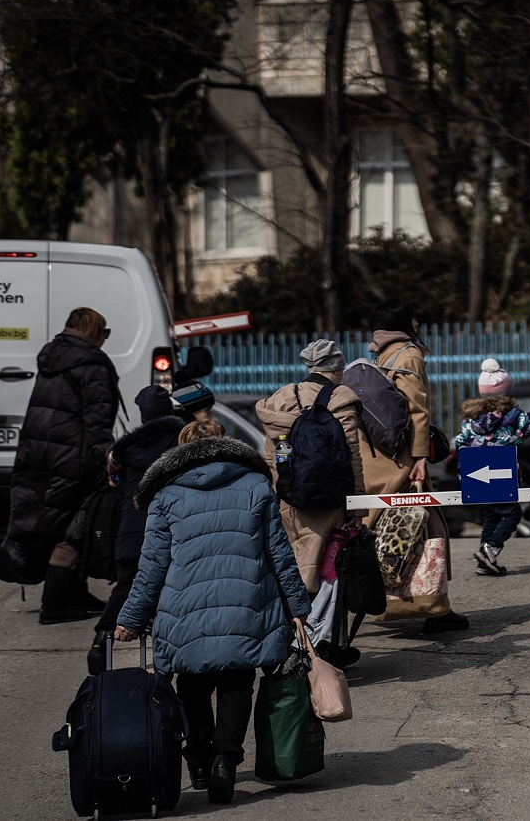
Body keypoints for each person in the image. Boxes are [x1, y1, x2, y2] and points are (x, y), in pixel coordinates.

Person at [114, 419, 311, 805]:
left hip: (185, 611)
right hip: (246, 605)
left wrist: (130, 618)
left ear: (179, 450)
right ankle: (225, 760)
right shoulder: (255, 485)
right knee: (237, 683)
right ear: (225, 444)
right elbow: (279, 553)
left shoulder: (166, 494)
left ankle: (200, 762)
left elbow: (152, 565)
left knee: (192, 685)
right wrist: (297, 607)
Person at [0, 307, 119, 624]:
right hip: (74, 456)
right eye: (104, 333)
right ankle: (55, 604)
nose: (104, 340)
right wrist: (107, 463)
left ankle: (74, 593)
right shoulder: (92, 364)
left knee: (55, 522)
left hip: (39, 452)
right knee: (78, 526)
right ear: (94, 332)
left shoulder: (52, 358)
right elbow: (98, 420)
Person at [361, 299, 469, 633]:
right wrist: (421, 457)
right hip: (404, 458)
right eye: (414, 319)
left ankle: (387, 601)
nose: (418, 323)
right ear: (404, 323)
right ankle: (434, 609)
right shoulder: (409, 355)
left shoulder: (378, 357)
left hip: (378, 458)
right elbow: (416, 411)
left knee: (384, 527)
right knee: (428, 529)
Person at [86, 385, 191, 675]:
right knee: (173, 588)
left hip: (131, 529)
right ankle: (170, 654)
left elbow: (118, 489)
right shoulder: (181, 440)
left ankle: (102, 640)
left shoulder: (125, 451)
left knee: (126, 585)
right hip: (168, 526)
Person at [255, 339, 366, 594]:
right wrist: (358, 506)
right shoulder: (339, 398)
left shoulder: (281, 398)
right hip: (329, 499)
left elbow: (270, 458)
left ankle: (293, 613)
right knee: (323, 572)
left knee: (291, 564)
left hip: (287, 497)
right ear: (337, 369)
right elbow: (352, 456)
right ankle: (314, 616)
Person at [454, 358, 530, 575]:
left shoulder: (470, 421)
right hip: (502, 476)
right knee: (513, 514)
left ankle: (486, 560)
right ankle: (491, 547)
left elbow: (459, 445)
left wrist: (461, 474)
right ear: (506, 390)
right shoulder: (513, 418)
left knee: (491, 517)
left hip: (476, 477)